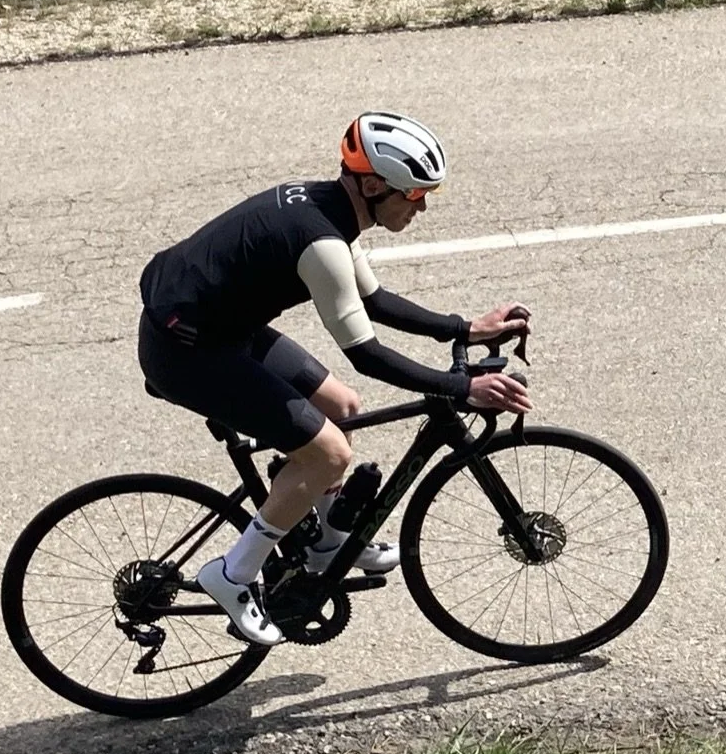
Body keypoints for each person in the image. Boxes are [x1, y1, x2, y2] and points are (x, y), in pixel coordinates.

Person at [136, 111, 532, 645]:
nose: (421, 206)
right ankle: (232, 575)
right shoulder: (321, 241)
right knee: (327, 454)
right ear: (373, 185)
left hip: (221, 329)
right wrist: (461, 387)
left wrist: (465, 328)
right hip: (187, 354)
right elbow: (366, 352)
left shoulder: (333, 210)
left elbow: (374, 299)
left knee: (343, 408)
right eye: (414, 195)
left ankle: (329, 541)